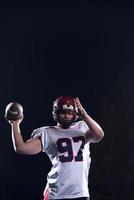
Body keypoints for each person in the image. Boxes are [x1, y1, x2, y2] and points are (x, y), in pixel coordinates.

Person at [7, 95, 104, 200]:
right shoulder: (47, 133)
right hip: (57, 194)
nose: (67, 116)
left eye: (70, 112)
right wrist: (15, 124)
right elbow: (21, 148)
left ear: (75, 113)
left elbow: (99, 135)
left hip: (80, 193)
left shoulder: (83, 127)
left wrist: (85, 116)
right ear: (56, 113)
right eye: (63, 112)